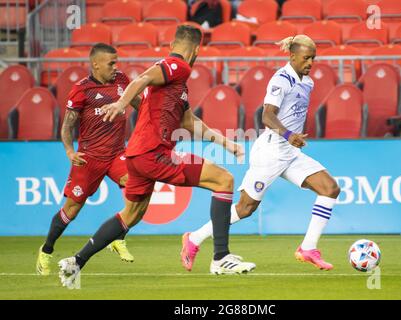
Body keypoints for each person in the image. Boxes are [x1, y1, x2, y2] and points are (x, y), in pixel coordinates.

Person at [57, 25, 256, 289]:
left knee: (131, 214)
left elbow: (188, 121)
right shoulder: (179, 66)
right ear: (196, 49)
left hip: (137, 157)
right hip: (154, 153)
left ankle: (76, 261)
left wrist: (225, 143)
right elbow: (141, 80)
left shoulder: (176, 82)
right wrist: (120, 104)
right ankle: (220, 257)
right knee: (224, 179)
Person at [181, 35, 341, 272]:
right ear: (292, 56)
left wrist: (291, 139)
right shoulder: (281, 79)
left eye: (313, 59)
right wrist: (289, 135)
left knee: (330, 189)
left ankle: (308, 248)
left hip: (290, 152)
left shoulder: (307, 81)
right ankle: (194, 239)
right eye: (306, 58)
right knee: (245, 208)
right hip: (271, 152)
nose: (310, 63)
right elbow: (266, 116)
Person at [36, 44, 139, 276]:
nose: (116, 67)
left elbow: (140, 104)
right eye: (111, 63)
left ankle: (118, 238)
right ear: (96, 64)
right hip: (89, 158)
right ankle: (46, 249)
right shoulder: (82, 90)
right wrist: (70, 151)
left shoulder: (122, 80)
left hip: (116, 154)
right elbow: (68, 125)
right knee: (71, 210)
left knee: (137, 190)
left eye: (117, 62)